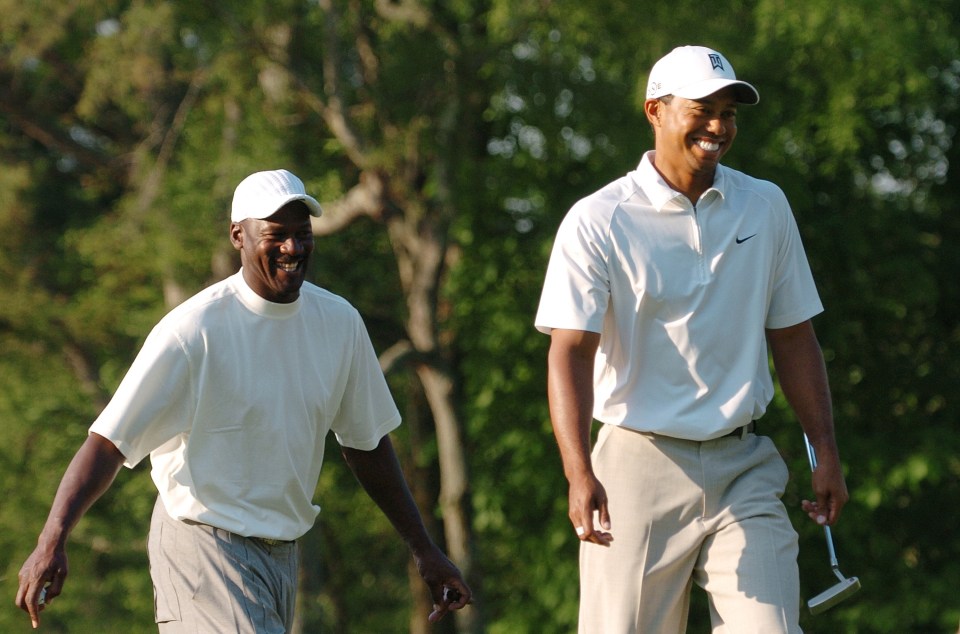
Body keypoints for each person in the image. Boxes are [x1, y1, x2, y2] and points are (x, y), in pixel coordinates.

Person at [15, 169, 471, 631]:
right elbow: (109, 443)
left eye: (302, 234)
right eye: (276, 235)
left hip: (281, 555)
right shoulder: (193, 331)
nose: (293, 248)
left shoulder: (339, 323)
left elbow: (366, 443)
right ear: (239, 235)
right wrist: (52, 539)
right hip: (204, 547)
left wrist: (424, 551)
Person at [535, 45, 849, 633]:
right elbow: (570, 352)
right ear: (655, 110)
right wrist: (579, 473)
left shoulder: (765, 205)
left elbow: (794, 336)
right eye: (702, 108)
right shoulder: (599, 219)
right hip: (635, 468)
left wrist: (824, 449)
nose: (718, 125)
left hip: (743, 466)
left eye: (729, 112)